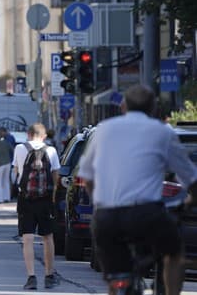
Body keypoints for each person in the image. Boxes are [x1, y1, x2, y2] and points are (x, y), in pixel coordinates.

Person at [78, 85, 197, 295]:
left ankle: (117, 286)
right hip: (146, 214)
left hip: (107, 217)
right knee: (175, 253)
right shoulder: (163, 131)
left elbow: (87, 176)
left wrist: (99, 204)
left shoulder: (104, 129)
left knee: (115, 274)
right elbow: (190, 177)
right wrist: (191, 200)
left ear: (123, 106)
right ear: (153, 108)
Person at [12, 123, 60, 290]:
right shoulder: (51, 150)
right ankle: (49, 275)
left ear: (28, 134)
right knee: (48, 237)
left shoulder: (19, 148)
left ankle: (31, 277)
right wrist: (53, 198)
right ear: (44, 136)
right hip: (45, 200)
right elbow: (55, 176)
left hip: (26, 199)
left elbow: (17, 172)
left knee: (27, 238)